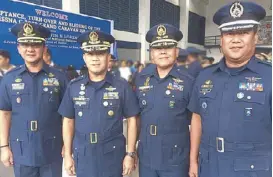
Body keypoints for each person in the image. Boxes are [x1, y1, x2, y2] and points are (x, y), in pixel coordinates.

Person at [188, 2, 271, 177]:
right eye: (229, 33)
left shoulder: (269, 77)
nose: (235, 39)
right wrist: (193, 161)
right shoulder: (205, 76)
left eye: (243, 33)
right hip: (209, 166)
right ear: (221, 39)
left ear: (256, 37)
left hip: (252, 170)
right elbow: (197, 118)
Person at [58, 30, 140, 177]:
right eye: (90, 54)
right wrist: (68, 155)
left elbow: (132, 120)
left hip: (113, 157)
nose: (95, 59)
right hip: (83, 156)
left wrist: (130, 153)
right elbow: (68, 121)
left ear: (108, 57)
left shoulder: (122, 86)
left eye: (100, 53)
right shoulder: (74, 86)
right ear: (84, 57)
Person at [0, 22, 68, 177]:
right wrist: (4, 147)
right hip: (22, 149)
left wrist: (68, 145)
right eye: (24, 44)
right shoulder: (9, 79)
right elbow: (4, 114)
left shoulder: (60, 78)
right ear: (18, 48)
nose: (30, 49)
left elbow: (68, 116)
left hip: (52, 149)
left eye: (35, 44)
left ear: (44, 48)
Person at [135, 24, 194, 177]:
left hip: (175, 157)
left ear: (176, 52)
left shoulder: (189, 82)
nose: (163, 51)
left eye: (168, 47)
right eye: (157, 48)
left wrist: (194, 158)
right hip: (147, 155)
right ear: (152, 54)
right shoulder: (141, 79)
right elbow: (137, 117)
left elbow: (195, 122)